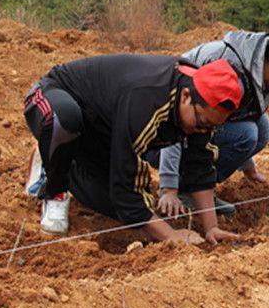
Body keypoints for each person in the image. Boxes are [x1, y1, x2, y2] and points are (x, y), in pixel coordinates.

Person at [23, 55, 241, 243]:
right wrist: (170, 235)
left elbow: (199, 164)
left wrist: (211, 227)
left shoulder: (205, 106)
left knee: (119, 207)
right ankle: (54, 180)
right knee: (64, 120)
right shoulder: (149, 99)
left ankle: (64, 161)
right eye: (202, 123)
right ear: (185, 96)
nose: (203, 131)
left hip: (103, 131)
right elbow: (127, 182)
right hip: (55, 95)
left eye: (211, 127)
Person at [154, 28, 269, 219]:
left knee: (263, 128)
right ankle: (189, 189)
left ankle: (200, 189)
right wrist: (169, 187)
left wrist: (249, 169)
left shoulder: (259, 68)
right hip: (157, 138)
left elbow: (242, 115)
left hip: (191, 134)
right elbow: (176, 119)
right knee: (247, 134)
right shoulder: (230, 74)